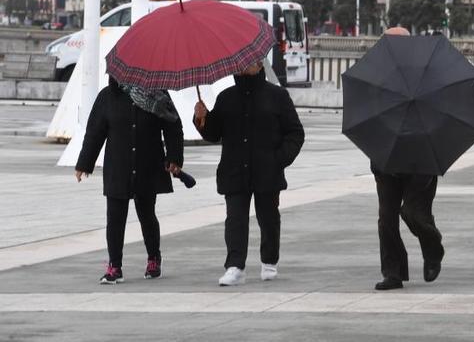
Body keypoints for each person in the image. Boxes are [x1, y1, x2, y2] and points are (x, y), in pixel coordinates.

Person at [194, 62, 305, 286]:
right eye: (240, 64)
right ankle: (235, 266)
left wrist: (279, 159)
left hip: (267, 170)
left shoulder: (277, 96)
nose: (244, 67)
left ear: (259, 65)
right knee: (235, 220)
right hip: (234, 170)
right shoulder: (226, 97)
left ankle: (269, 260)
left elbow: (295, 133)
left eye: (250, 63)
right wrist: (201, 119)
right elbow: (214, 133)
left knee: (269, 219)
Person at [75, 76, 184, 284]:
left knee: (147, 215)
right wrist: (84, 163)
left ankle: (154, 259)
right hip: (118, 166)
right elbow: (95, 132)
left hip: (147, 165)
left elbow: (173, 126)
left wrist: (174, 158)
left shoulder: (157, 93)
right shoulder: (107, 97)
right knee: (115, 219)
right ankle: (114, 266)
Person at [371, 26, 445, 291]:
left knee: (414, 213)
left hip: (422, 157)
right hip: (387, 158)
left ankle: (433, 249)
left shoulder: (427, 74)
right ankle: (394, 272)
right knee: (386, 218)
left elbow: (440, 114)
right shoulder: (378, 77)